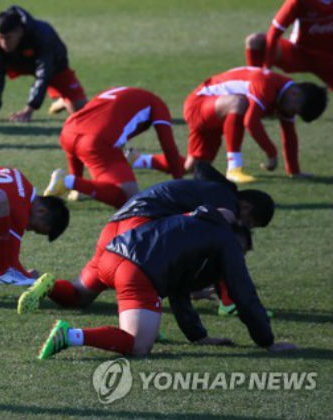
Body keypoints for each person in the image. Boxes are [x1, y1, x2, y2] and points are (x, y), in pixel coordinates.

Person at [33, 206, 296, 358]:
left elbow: (177, 287)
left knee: (89, 300)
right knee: (138, 345)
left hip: (110, 256)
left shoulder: (188, 222)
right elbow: (243, 292)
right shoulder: (225, 240)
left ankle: (52, 293)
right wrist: (267, 341)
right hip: (135, 270)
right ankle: (69, 336)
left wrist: (198, 337)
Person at [18, 172, 275, 314]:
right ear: (246, 207)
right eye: (250, 223)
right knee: (143, 300)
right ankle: (229, 305)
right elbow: (220, 249)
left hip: (116, 225)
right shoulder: (227, 205)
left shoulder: (208, 189)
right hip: (139, 230)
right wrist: (229, 297)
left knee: (79, 297)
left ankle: (48, 284)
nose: (246, 228)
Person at [43, 86, 185, 207]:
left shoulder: (117, 91)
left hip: (68, 130)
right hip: (96, 142)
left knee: (82, 147)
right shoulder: (157, 104)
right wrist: (179, 182)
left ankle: (74, 186)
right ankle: (69, 182)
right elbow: (169, 147)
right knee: (129, 199)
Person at [183, 66, 327, 183]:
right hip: (198, 106)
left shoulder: (286, 96)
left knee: (192, 167)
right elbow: (251, 122)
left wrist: (294, 171)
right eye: (295, 109)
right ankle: (234, 168)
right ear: (295, 93)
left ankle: (160, 163)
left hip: (216, 115)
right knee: (238, 102)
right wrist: (271, 153)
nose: (292, 113)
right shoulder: (266, 83)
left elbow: (289, 134)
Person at [0, 5, 87, 123]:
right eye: (0, 37)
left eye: (8, 38)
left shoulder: (42, 35)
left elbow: (44, 74)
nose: (3, 43)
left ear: (20, 32)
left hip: (54, 68)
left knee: (81, 114)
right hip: (16, 62)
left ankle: (61, 98)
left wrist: (29, 110)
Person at [245, 0, 332, 90]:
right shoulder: (298, 2)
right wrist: (266, 69)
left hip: (328, 58)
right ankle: (252, 87)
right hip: (300, 54)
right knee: (256, 42)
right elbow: (274, 32)